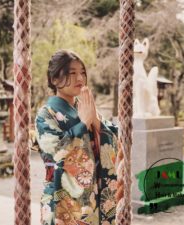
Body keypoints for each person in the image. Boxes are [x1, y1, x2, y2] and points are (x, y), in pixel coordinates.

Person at [35, 50, 118, 225]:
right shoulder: (46, 114)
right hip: (62, 200)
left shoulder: (84, 108)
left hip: (92, 200)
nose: (79, 78)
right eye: (72, 73)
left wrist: (95, 121)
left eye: (82, 73)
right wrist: (84, 124)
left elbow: (116, 136)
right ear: (54, 79)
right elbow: (56, 153)